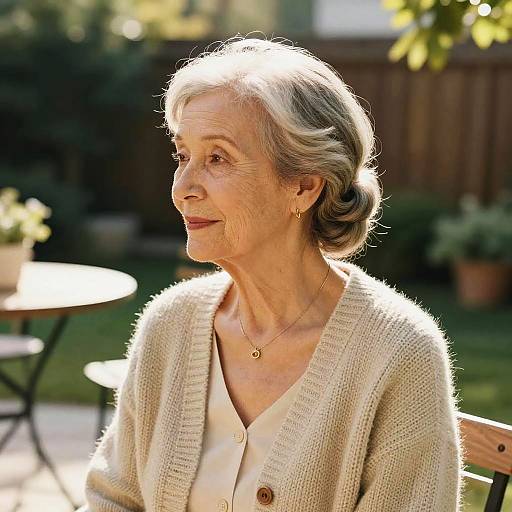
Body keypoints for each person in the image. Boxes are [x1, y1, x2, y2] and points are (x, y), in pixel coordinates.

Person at [77, 36, 464, 512]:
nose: (182, 189)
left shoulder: (398, 353)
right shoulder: (170, 324)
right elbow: (112, 498)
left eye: (217, 158)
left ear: (303, 186)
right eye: (182, 156)